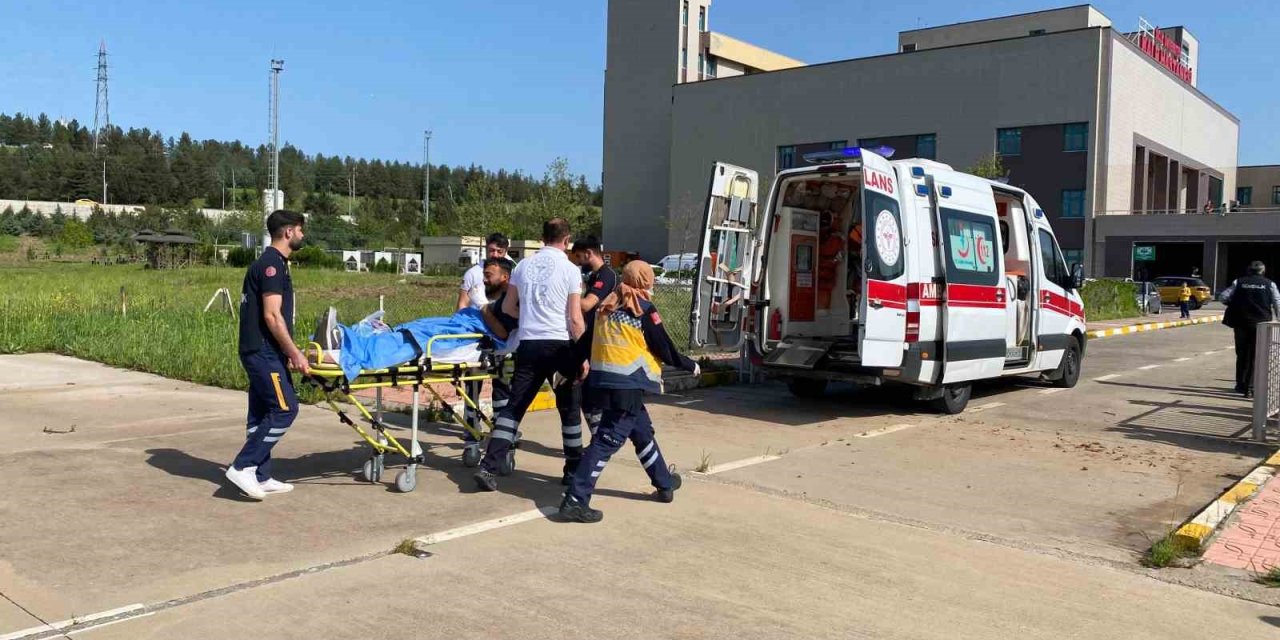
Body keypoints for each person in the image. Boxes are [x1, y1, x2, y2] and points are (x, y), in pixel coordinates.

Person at [559, 260, 700, 523]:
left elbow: (586, 342)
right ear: (645, 281)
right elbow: (663, 346)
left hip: (602, 382)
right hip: (628, 384)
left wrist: (568, 369)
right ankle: (576, 499)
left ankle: (664, 482)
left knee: (642, 431)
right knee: (607, 441)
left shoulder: (605, 307)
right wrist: (690, 364)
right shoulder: (643, 309)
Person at [474, 218, 587, 492]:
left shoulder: (523, 266)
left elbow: (508, 308)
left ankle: (488, 466)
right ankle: (573, 470)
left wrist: (529, 317)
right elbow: (575, 319)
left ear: (542, 237)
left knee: (514, 406)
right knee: (569, 409)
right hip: (559, 346)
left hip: (529, 344)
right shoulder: (571, 270)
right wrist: (583, 355)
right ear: (567, 240)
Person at [225, 210, 309, 500]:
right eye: (300, 230)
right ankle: (243, 466)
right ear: (288, 232)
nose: (302, 235)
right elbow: (272, 316)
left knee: (261, 413)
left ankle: (260, 475)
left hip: (261, 350)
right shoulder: (272, 265)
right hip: (264, 352)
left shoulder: (272, 263)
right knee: (285, 409)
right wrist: (294, 353)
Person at [567, 235, 618, 434]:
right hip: (590, 338)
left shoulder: (606, 275)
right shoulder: (594, 276)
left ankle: (600, 437)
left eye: (579, 258)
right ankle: (597, 436)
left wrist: (562, 294)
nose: (578, 263)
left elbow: (587, 304)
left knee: (592, 394)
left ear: (589, 253)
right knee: (585, 394)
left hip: (600, 341)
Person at [1221, 261, 1280, 397]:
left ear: (1249, 271)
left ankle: (1240, 385)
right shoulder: (1269, 284)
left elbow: (1223, 297)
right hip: (1261, 325)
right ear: (1263, 271)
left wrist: (1234, 303)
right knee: (1256, 355)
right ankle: (1250, 388)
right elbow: (1277, 302)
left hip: (1241, 323)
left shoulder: (1238, 282)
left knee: (1241, 354)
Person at [457, 233, 513, 311]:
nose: (495, 255)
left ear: (506, 251)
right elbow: (462, 304)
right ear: (486, 249)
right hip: (476, 317)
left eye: (499, 251)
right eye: (492, 250)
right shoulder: (472, 273)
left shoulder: (513, 273)